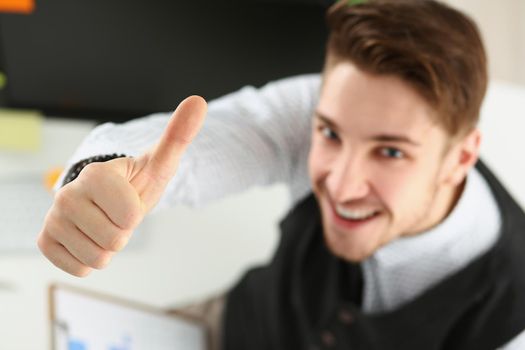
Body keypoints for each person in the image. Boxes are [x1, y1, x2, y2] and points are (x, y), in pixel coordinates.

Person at [38, 0, 525, 349]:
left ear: (462, 158)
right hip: (225, 329)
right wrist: (101, 178)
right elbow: (211, 144)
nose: (341, 185)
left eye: (391, 153)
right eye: (330, 134)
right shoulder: (333, 99)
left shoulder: (512, 316)